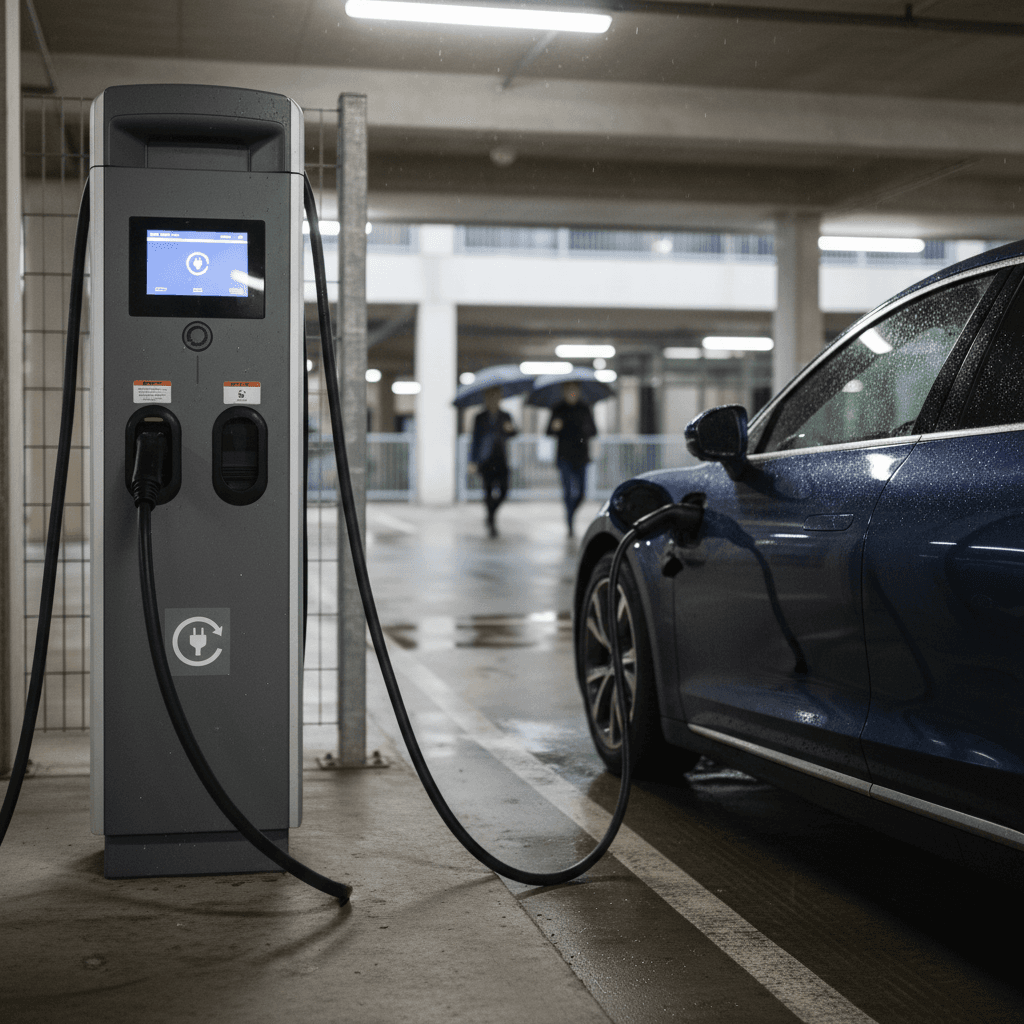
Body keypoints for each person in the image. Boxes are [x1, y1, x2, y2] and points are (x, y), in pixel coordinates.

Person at [546, 381, 597, 537]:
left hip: (581, 456)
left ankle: (571, 513)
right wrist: (554, 427)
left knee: (582, 493)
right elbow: (548, 431)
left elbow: (594, 431)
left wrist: (585, 427)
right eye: (568, 390)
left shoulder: (585, 408)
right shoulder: (558, 409)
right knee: (568, 491)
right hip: (564, 457)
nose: (571, 393)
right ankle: (569, 522)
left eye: (574, 390)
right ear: (564, 391)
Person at [468, 386, 518, 537]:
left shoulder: (505, 416)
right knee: (488, 491)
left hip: (501, 459)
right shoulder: (480, 417)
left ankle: (490, 515)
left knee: (504, 491)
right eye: (490, 396)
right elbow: (475, 440)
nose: (493, 399)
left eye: (496, 396)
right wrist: (473, 461)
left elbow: (514, 433)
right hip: (486, 460)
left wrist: (511, 429)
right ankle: (492, 522)